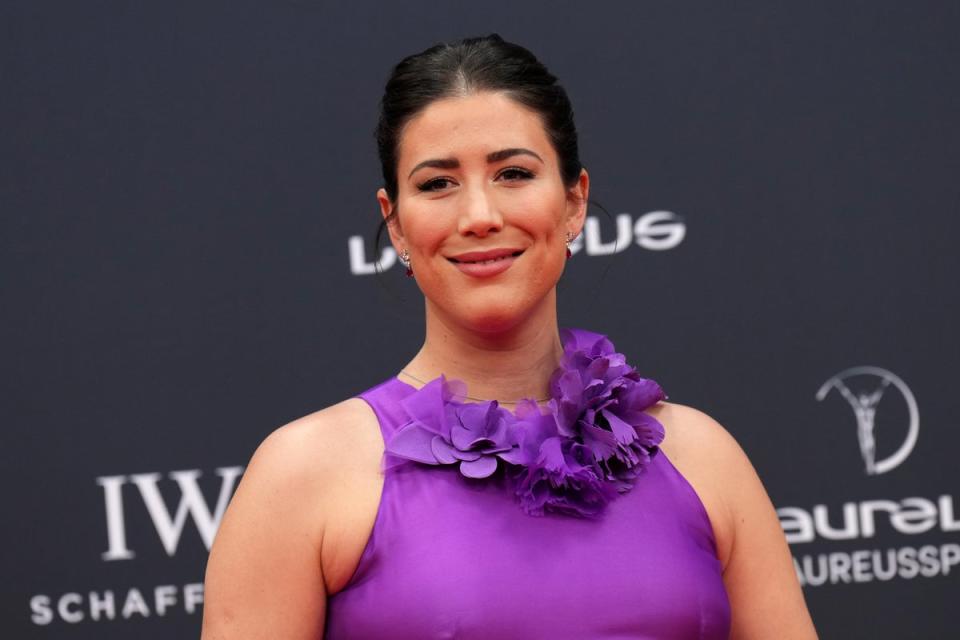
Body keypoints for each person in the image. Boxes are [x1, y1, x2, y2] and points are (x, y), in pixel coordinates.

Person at [201, 35, 818, 639]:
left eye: (514, 173)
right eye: (438, 183)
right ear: (395, 223)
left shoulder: (700, 456)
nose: (479, 216)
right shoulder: (304, 475)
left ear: (574, 201)